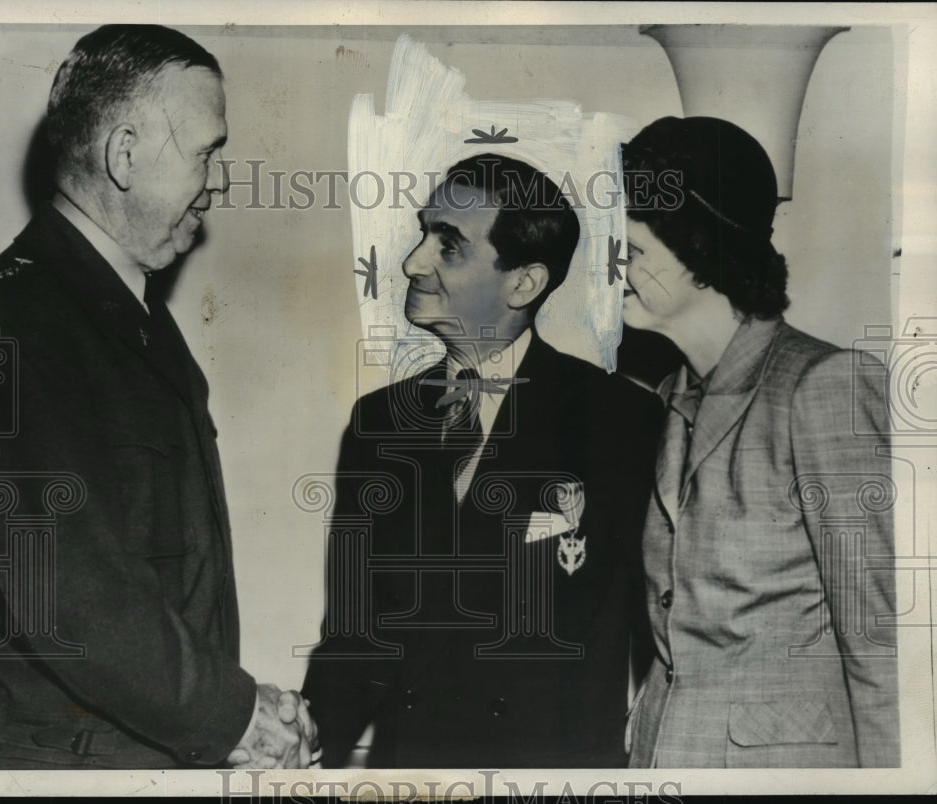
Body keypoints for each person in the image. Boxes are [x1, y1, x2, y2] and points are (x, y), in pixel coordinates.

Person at [0, 24, 316, 770]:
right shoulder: (21, 322)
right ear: (124, 155)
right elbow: (70, 594)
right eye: (206, 153)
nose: (216, 183)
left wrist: (232, 710)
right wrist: (236, 715)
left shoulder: (128, 315)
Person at [302, 153, 662, 768]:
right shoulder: (378, 423)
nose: (412, 261)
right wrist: (302, 743)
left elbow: (658, 638)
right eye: (423, 234)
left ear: (523, 282)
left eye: (449, 247)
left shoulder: (622, 421)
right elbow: (355, 637)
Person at [620, 116, 900, 768]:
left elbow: (880, 646)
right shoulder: (667, 397)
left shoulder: (823, 386)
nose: (614, 268)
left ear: (698, 251)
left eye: (631, 250)